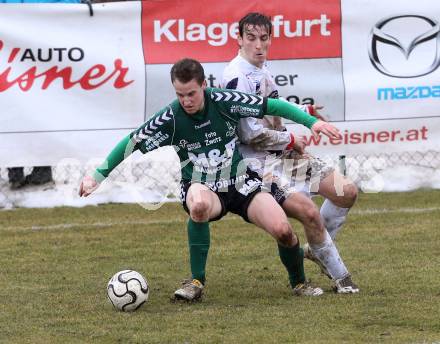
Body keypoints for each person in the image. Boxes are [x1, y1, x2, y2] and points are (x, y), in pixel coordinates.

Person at [79, 58, 342, 301]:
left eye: (191, 93)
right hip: (202, 185)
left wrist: (311, 122)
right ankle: (195, 282)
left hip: (240, 182)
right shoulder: (170, 118)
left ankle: (299, 283)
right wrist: (97, 177)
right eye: (180, 95)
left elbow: (270, 106)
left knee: (284, 231)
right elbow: (132, 141)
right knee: (198, 205)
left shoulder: (224, 100)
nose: (186, 101)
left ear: (204, 85)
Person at [220, 12, 359, 293]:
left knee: (346, 192)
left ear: (270, 38)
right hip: (256, 162)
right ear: (239, 39)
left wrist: (302, 115)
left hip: (282, 152)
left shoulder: (260, 68)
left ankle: (318, 249)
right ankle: (342, 279)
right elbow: (249, 133)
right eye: (251, 38)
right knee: (309, 213)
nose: (258, 45)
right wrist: (290, 138)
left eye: (264, 38)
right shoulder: (236, 77)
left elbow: (271, 109)